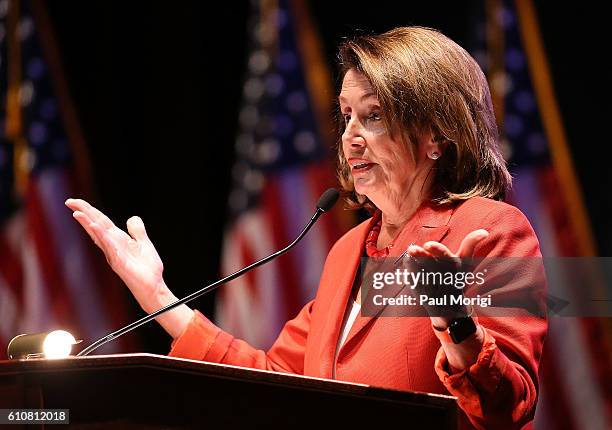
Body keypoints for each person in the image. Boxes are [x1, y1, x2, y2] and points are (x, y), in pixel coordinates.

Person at [65, 27, 547, 429]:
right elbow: (275, 381)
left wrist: (457, 325)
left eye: (374, 116)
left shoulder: (493, 229)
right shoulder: (349, 251)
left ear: (436, 135)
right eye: (346, 116)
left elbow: (510, 407)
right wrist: (158, 299)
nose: (350, 136)